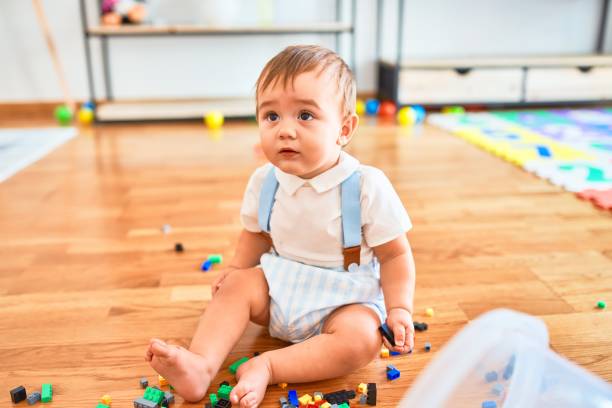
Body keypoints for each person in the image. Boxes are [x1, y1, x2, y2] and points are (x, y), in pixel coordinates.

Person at [145, 44, 416, 407]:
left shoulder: (366, 185)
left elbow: (395, 254)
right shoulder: (265, 180)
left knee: (362, 339)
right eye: (271, 116)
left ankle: (269, 366)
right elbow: (256, 234)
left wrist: (399, 309)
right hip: (280, 288)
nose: (285, 130)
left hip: (344, 298)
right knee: (238, 285)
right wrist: (238, 270)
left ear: (344, 128)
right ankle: (200, 366)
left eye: (305, 115)